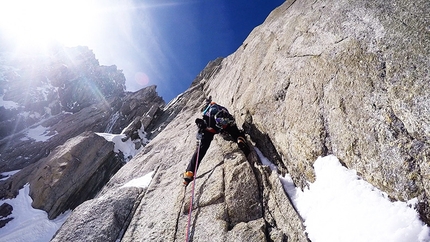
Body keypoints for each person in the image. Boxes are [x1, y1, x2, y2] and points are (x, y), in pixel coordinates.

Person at [183, 97, 250, 185]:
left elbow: (201, 124)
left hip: (211, 126)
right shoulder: (217, 112)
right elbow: (230, 122)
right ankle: (239, 138)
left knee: (201, 149)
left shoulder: (209, 115)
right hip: (222, 123)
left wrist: (202, 128)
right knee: (234, 131)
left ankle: (189, 173)